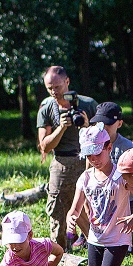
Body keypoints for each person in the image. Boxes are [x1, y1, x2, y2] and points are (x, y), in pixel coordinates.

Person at [36, 65, 98, 249]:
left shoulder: (88, 104)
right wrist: (61, 127)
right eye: (49, 88)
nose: (54, 92)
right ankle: (59, 250)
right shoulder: (46, 107)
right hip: (60, 163)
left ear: (67, 82)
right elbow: (44, 145)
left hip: (87, 161)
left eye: (57, 87)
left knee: (91, 206)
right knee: (57, 208)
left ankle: (97, 246)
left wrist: (87, 127)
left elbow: (103, 137)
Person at [67, 123, 133, 266]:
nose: (93, 159)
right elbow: (74, 210)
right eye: (89, 155)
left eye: (97, 154)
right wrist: (71, 219)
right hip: (94, 238)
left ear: (109, 148)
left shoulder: (121, 176)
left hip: (117, 240)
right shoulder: (85, 178)